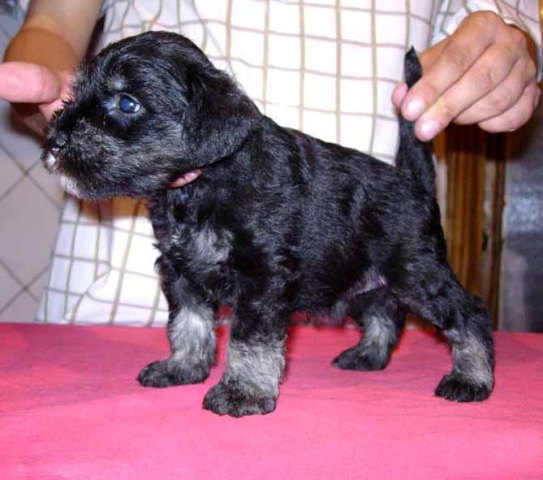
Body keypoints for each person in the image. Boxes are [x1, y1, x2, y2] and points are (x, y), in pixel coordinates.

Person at [1, 0, 541, 325]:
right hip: (113, 300)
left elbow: (504, 23)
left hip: (353, 214)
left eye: (121, 102)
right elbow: (53, 23)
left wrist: (515, 51)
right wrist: (46, 75)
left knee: (397, 285)